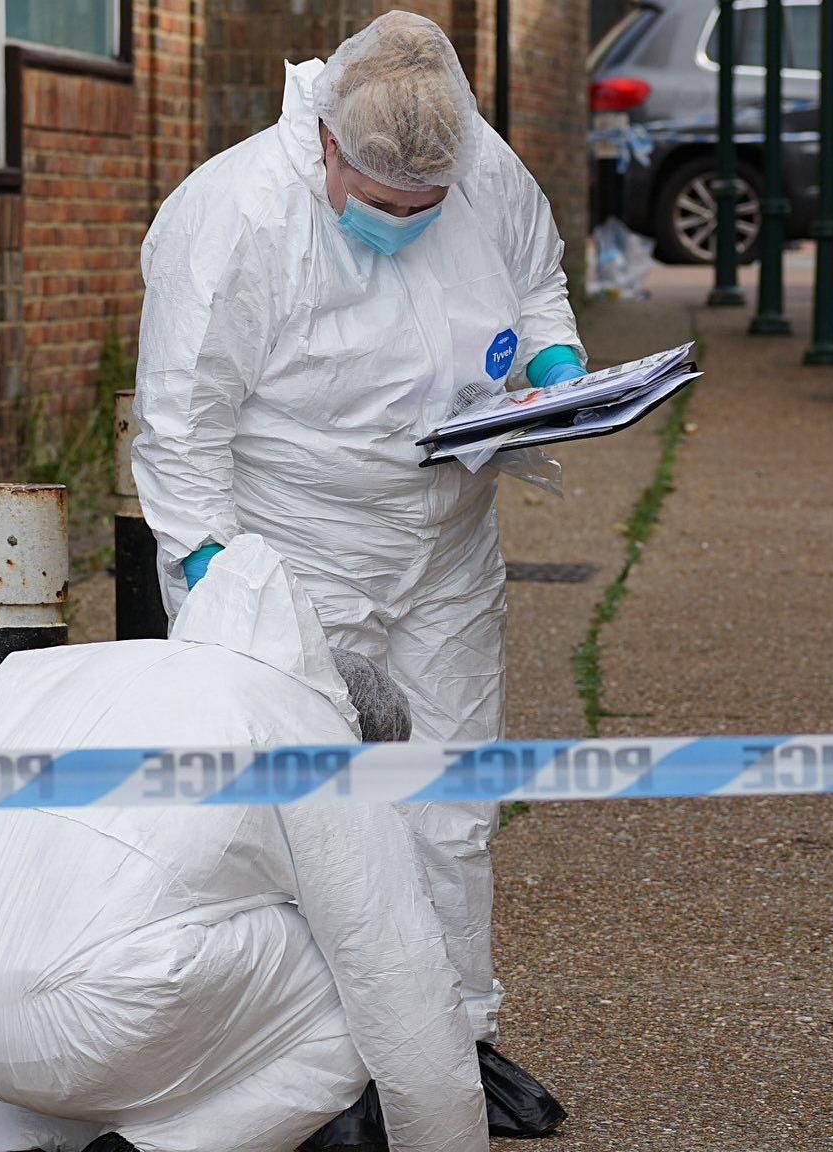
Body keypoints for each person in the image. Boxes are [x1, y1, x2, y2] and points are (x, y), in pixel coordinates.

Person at [130, 8, 584, 1047]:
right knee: (309, 823)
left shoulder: (479, 167)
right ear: (329, 143)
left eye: (427, 204)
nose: (409, 218)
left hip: (447, 534)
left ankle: (452, 1044)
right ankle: (311, 1053)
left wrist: (554, 367)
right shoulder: (237, 216)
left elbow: (534, 278)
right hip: (293, 547)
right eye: (384, 203)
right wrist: (210, 571)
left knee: (450, 801)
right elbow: (179, 419)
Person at [0, 537, 485, 1152]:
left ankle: (25, 1140)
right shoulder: (308, 732)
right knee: (354, 982)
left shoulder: (41, 673)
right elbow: (401, 981)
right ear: (359, 733)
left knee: (32, 921)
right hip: (100, 1023)